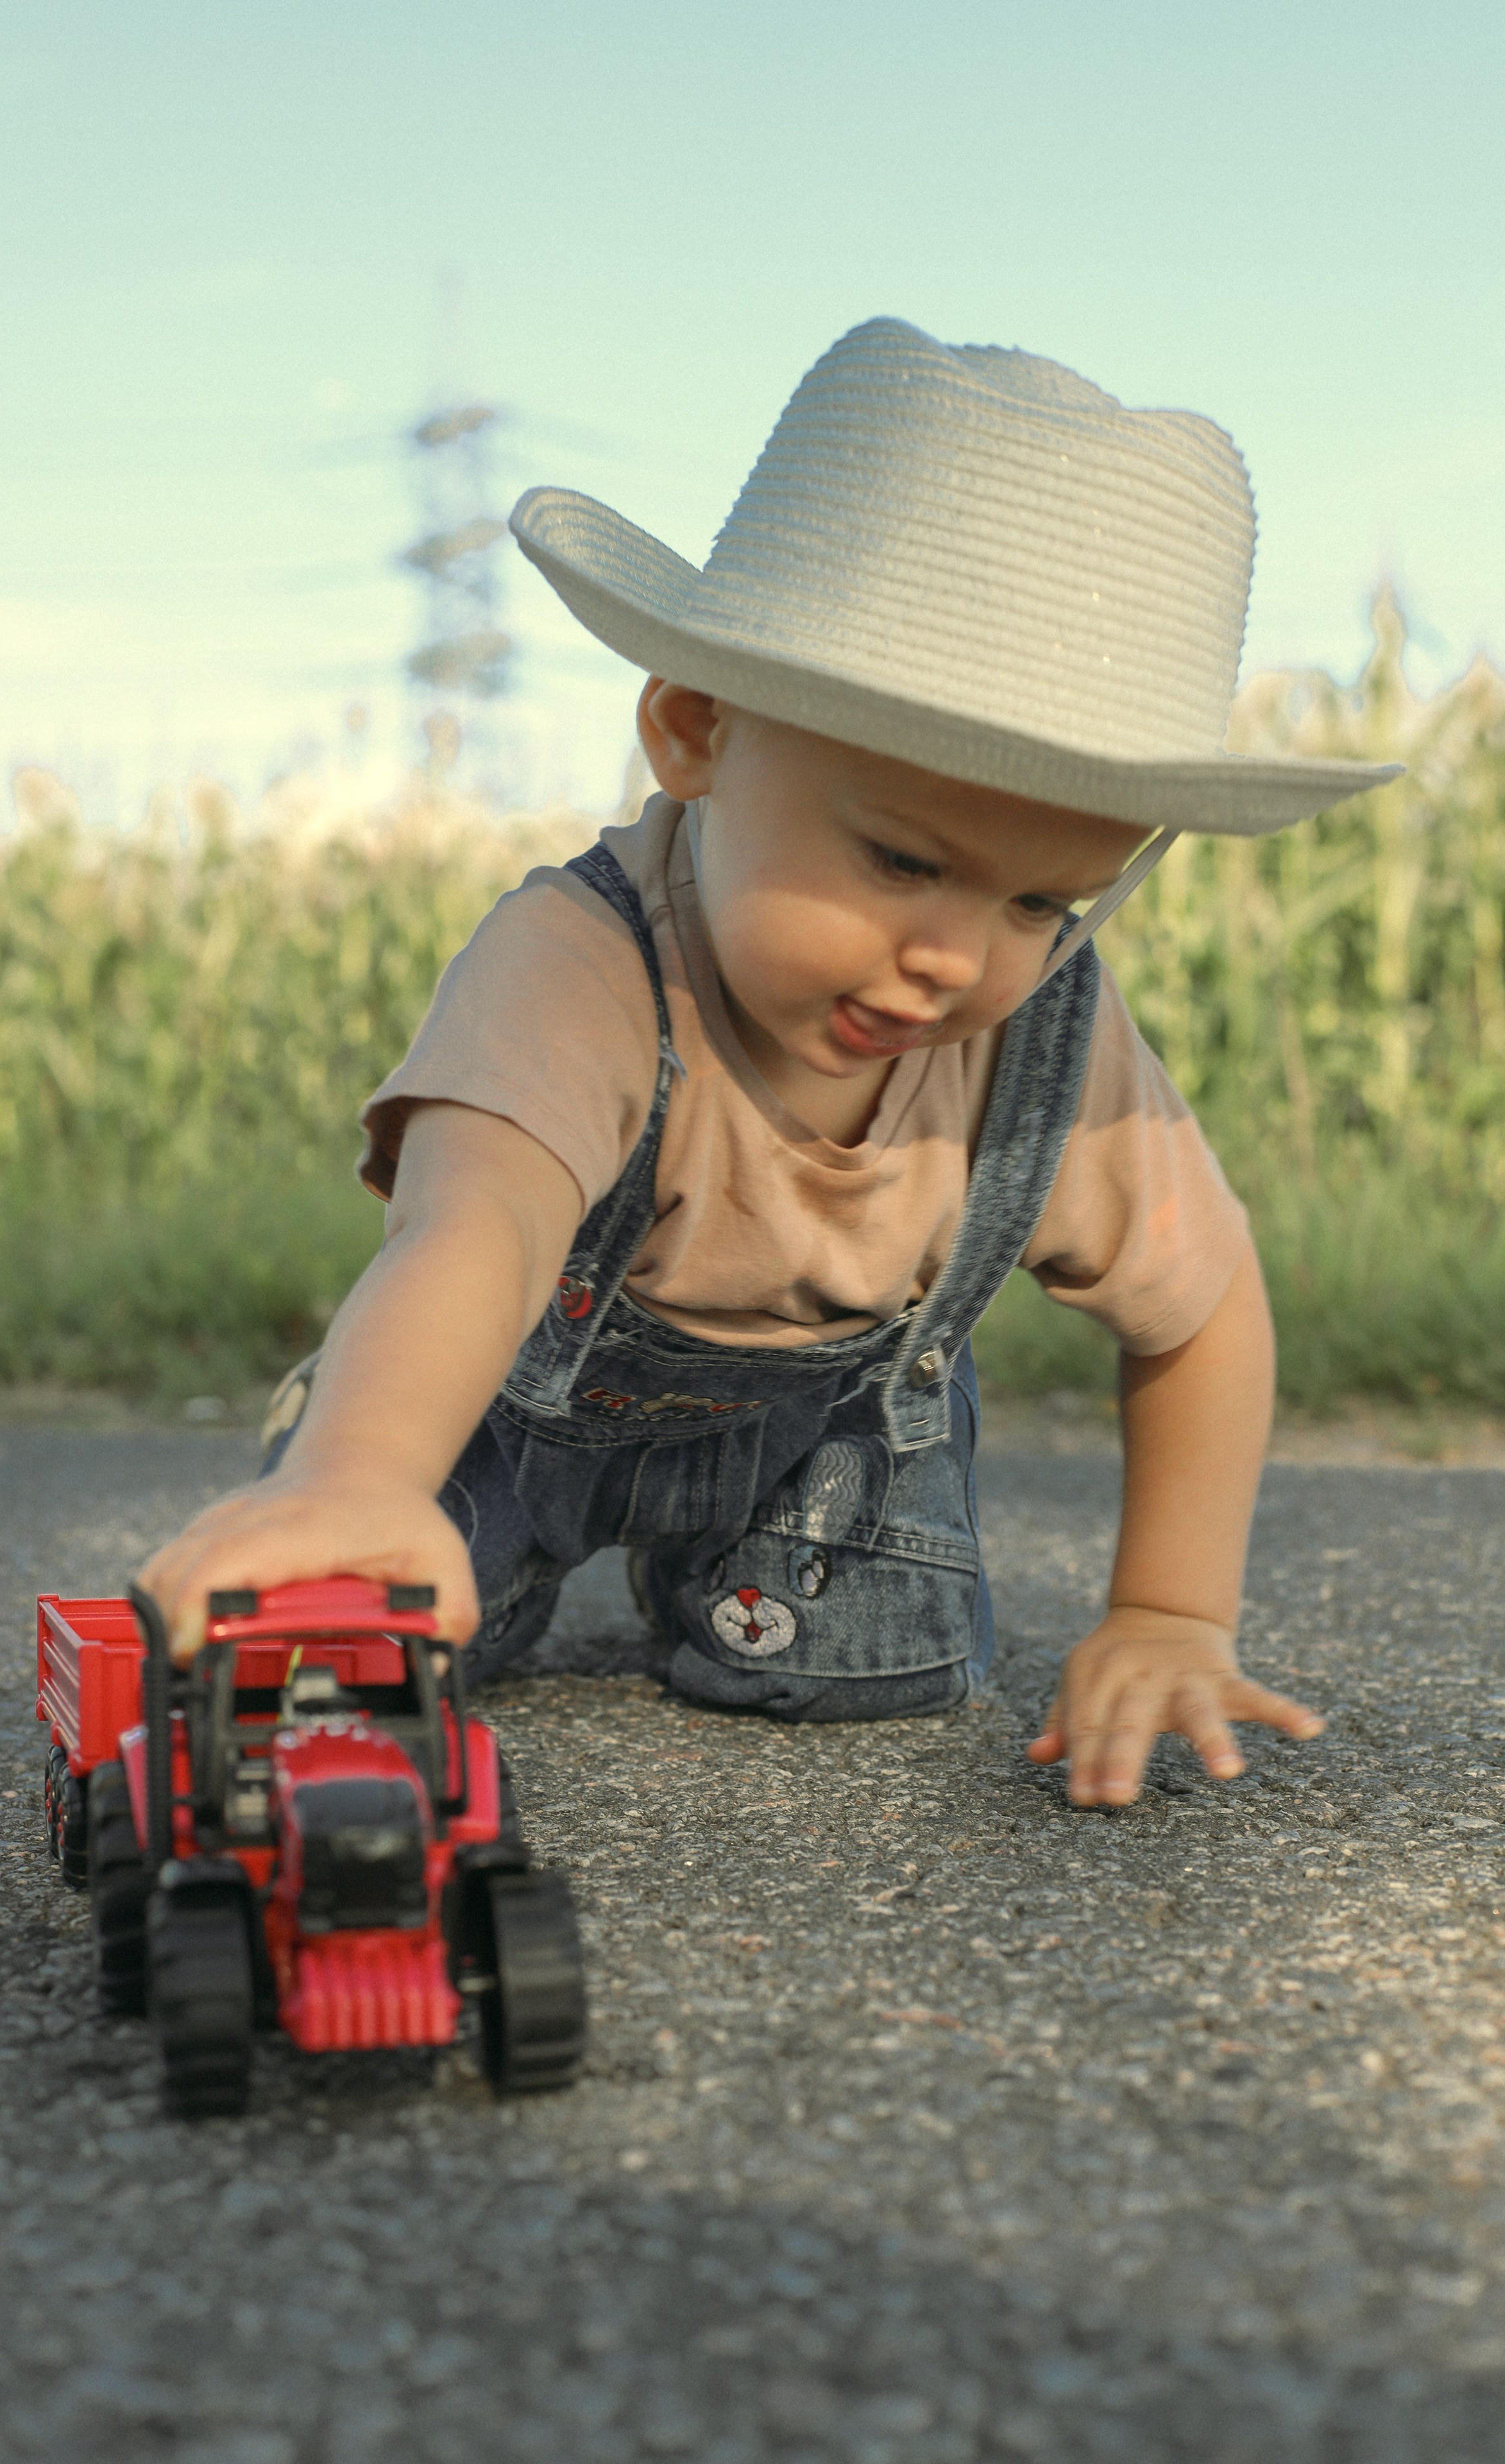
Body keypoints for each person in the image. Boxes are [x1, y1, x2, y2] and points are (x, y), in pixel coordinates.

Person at [140, 319, 1397, 1808]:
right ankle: (352, 1464)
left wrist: (1168, 1611)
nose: (957, 958)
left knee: (869, 1680)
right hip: (494, 1402)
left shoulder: (1043, 1035)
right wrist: (357, 1477)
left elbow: (1201, 1306)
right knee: (331, 1655)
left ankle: (722, 1579)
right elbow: (470, 1227)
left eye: (1038, 903)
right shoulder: (584, 963)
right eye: (900, 859)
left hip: (820, 1451)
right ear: (694, 727)